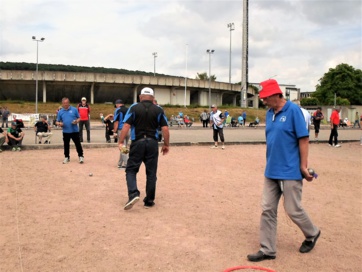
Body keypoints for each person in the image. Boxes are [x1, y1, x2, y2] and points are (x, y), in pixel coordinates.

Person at [247, 79, 320, 262]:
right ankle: (267, 249)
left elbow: (303, 139)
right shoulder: (269, 113)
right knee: (267, 209)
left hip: (290, 171)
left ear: (276, 94)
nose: (263, 101)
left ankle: (312, 233)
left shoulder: (293, 111)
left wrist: (303, 166)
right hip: (271, 170)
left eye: (265, 98)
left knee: (293, 209)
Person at [118, 87, 170, 210]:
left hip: (138, 142)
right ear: (153, 98)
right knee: (151, 172)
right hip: (152, 143)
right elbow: (165, 129)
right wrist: (166, 144)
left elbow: (126, 125)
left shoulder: (134, 107)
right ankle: (149, 201)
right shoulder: (159, 110)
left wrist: (120, 141)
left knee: (131, 170)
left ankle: (133, 193)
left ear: (140, 97)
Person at [56, 97, 84, 164]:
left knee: (78, 144)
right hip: (65, 131)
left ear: (69, 103)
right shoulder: (60, 112)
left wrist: (76, 121)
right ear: (62, 104)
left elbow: (79, 118)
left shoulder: (74, 109)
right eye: (64, 103)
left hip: (74, 131)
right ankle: (66, 157)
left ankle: (81, 156)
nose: (66, 104)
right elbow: (57, 121)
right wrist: (59, 123)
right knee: (66, 145)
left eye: (67, 103)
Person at [114, 99, 129, 168]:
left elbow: (116, 122)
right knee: (124, 147)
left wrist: (114, 132)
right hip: (128, 129)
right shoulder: (129, 109)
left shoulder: (118, 110)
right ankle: (120, 163)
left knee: (122, 147)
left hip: (121, 129)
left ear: (117, 104)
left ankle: (126, 163)